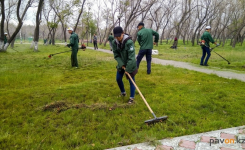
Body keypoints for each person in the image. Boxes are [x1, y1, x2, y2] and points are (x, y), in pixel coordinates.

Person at [112, 26, 138, 104]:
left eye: (119, 36)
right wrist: (122, 64)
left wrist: (128, 69)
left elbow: (131, 57)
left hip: (130, 63)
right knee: (118, 79)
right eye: (116, 36)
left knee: (131, 81)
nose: (118, 38)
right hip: (121, 64)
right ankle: (123, 93)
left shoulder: (129, 42)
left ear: (123, 33)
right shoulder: (114, 42)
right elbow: (116, 55)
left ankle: (131, 98)